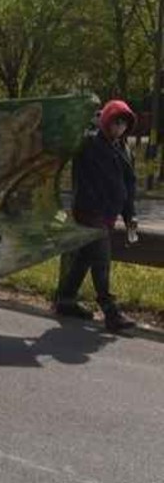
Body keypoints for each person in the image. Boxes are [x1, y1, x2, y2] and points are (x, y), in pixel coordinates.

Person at [54, 100, 138, 333]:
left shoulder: (123, 149)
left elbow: (129, 185)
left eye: (124, 123)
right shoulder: (89, 143)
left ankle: (66, 299)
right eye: (116, 121)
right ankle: (110, 311)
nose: (119, 127)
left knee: (85, 258)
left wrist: (130, 214)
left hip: (108, 213)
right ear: (106, 121)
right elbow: (66, 142)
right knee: (101, 259)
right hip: (89, 211)